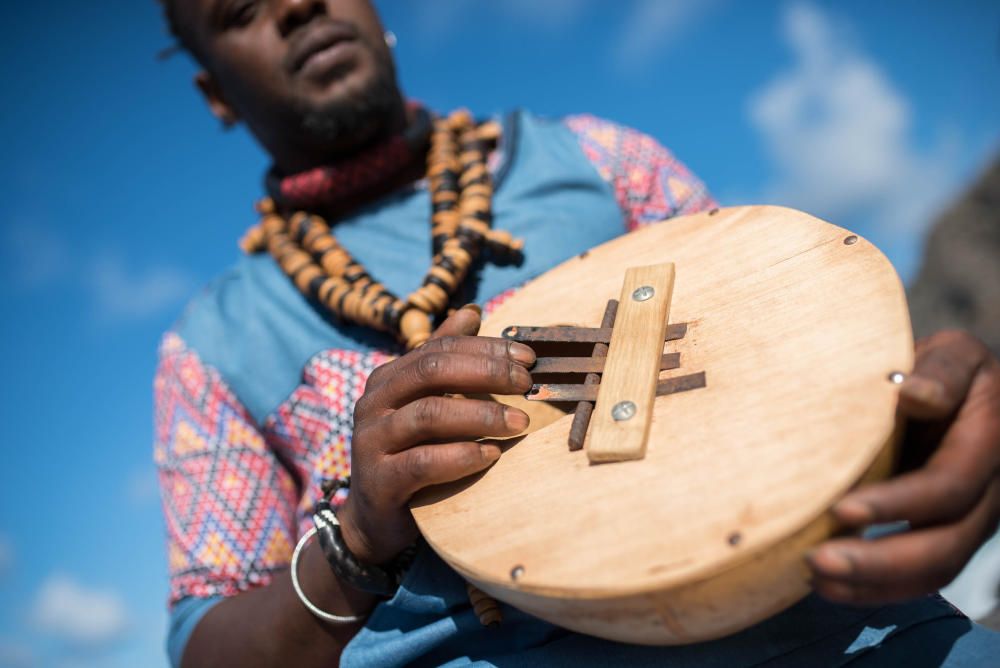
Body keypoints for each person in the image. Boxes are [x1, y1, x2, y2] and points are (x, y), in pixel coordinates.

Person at [153, 1, 1000, 666]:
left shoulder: (600, 161)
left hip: (834, 631)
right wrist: (360, 537)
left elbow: (785, 363)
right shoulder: (213, 348)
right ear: (215, 92)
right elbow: (206, 646)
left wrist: (916, 416)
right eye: (241, 10)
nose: (299, 5)